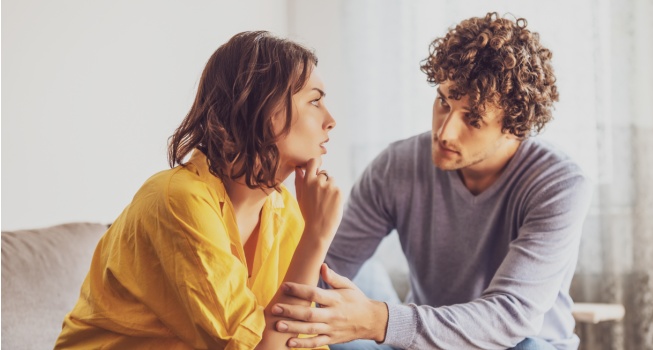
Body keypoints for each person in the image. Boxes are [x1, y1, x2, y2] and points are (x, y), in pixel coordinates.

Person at [268, 12, 593, 350]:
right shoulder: (397, 165)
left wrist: (380, 320)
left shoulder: (559, 184)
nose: (443, 131)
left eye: (473, 119)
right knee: (331, 294)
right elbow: (325, 272)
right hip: (423, 342)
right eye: (444, 101)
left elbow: (510, 317)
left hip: (521, 344)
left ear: (515, 128)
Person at [55, 31, 342, 350]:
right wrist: (316, 236)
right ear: (262, 108)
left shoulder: (285, 209)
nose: (330, 120)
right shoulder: (178, 199)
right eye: (314, 101)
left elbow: (300, 343)